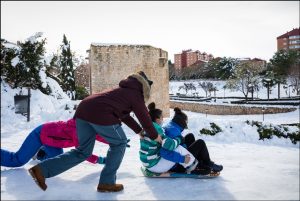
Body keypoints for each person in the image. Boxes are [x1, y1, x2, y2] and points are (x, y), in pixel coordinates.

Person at [28, 71, 162, 192]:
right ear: (145, 87)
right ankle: (106, 183)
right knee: (120, 143)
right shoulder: (135, 93)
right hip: (100, 113)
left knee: (83, 152)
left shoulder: (123, 91)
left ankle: (41, 171)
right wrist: (155, 136)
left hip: (84, 109)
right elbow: (145, 117)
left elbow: (124, 115)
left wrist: (139, 131)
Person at [1, 118, 108, 168]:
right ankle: (37, 150)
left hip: (53, 141)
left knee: (56, 158)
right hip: (40, 134)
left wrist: (117, 142)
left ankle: (39, 153)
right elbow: (83, 152)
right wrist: (100, 160)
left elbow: (98, 136)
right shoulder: (79, 130)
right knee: (17, 160)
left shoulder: (88, 127)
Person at [140, 102, 199, 174]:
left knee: (176, 147)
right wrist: (179, 139)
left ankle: (190, 163)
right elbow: (170, 145)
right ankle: (192, 165)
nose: (163, 119)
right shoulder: (157, 130)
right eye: (162, 117)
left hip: (148, 162)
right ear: (157, 119)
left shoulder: (148, 127)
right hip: (155, 165)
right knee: (178, 148)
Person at [163, 107, 223, 173]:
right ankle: (207, 163)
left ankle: (199, 162)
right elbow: (180, 150)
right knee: (200, 143)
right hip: (179, 164)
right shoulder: (174, 131)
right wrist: (188, 147)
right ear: (182, 122)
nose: (186, 124)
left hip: (175, 158)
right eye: (186, 122)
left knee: (190, 136)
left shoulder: (171, 126)